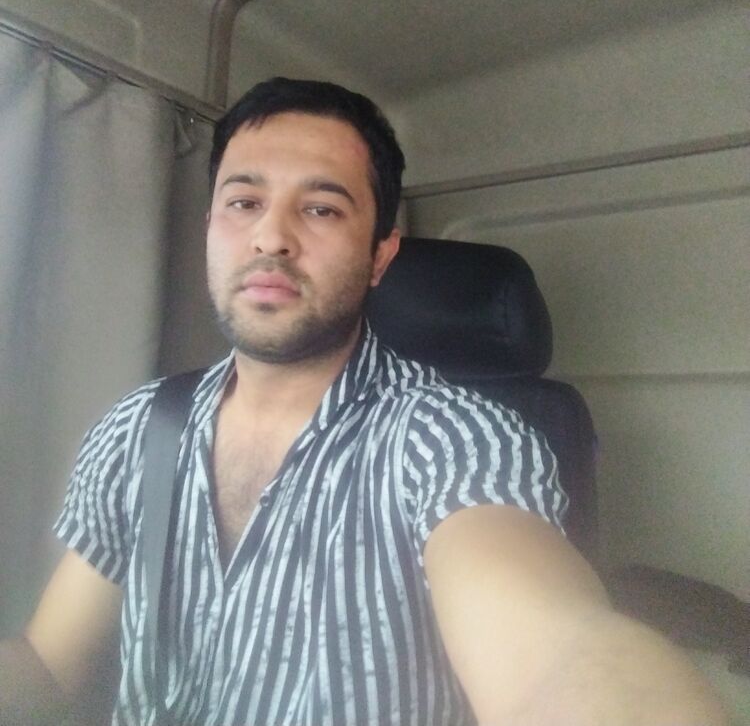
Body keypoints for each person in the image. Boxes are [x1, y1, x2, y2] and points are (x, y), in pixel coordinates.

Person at [0, 78, 726, 726]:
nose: (271, 236)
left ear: (380, 256)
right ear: (212, 227)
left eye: (321, 208)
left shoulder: (452, 436)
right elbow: (48, 663)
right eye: (244, 202)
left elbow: (557, 655)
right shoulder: (139, 427)